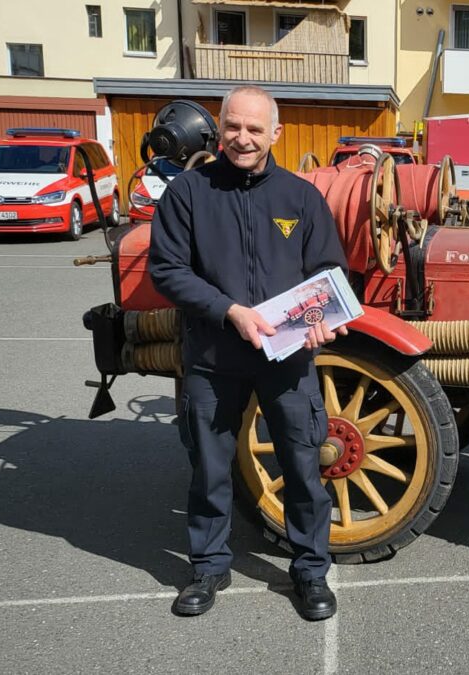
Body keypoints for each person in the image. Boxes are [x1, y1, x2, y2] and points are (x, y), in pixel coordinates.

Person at [149, 85, 348, 621]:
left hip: (287, 360)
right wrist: (229, 310)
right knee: (210, 468)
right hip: (215, 357)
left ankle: (310, 571)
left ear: (275, 134)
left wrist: (316, 323)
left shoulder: (300, 197)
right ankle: (209, 566)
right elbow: (167, 270)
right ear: (220, 128)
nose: (243, 138)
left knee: (303, 466)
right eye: (234, 127)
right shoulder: (187, 193)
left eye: (255, 129)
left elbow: (328, 272)